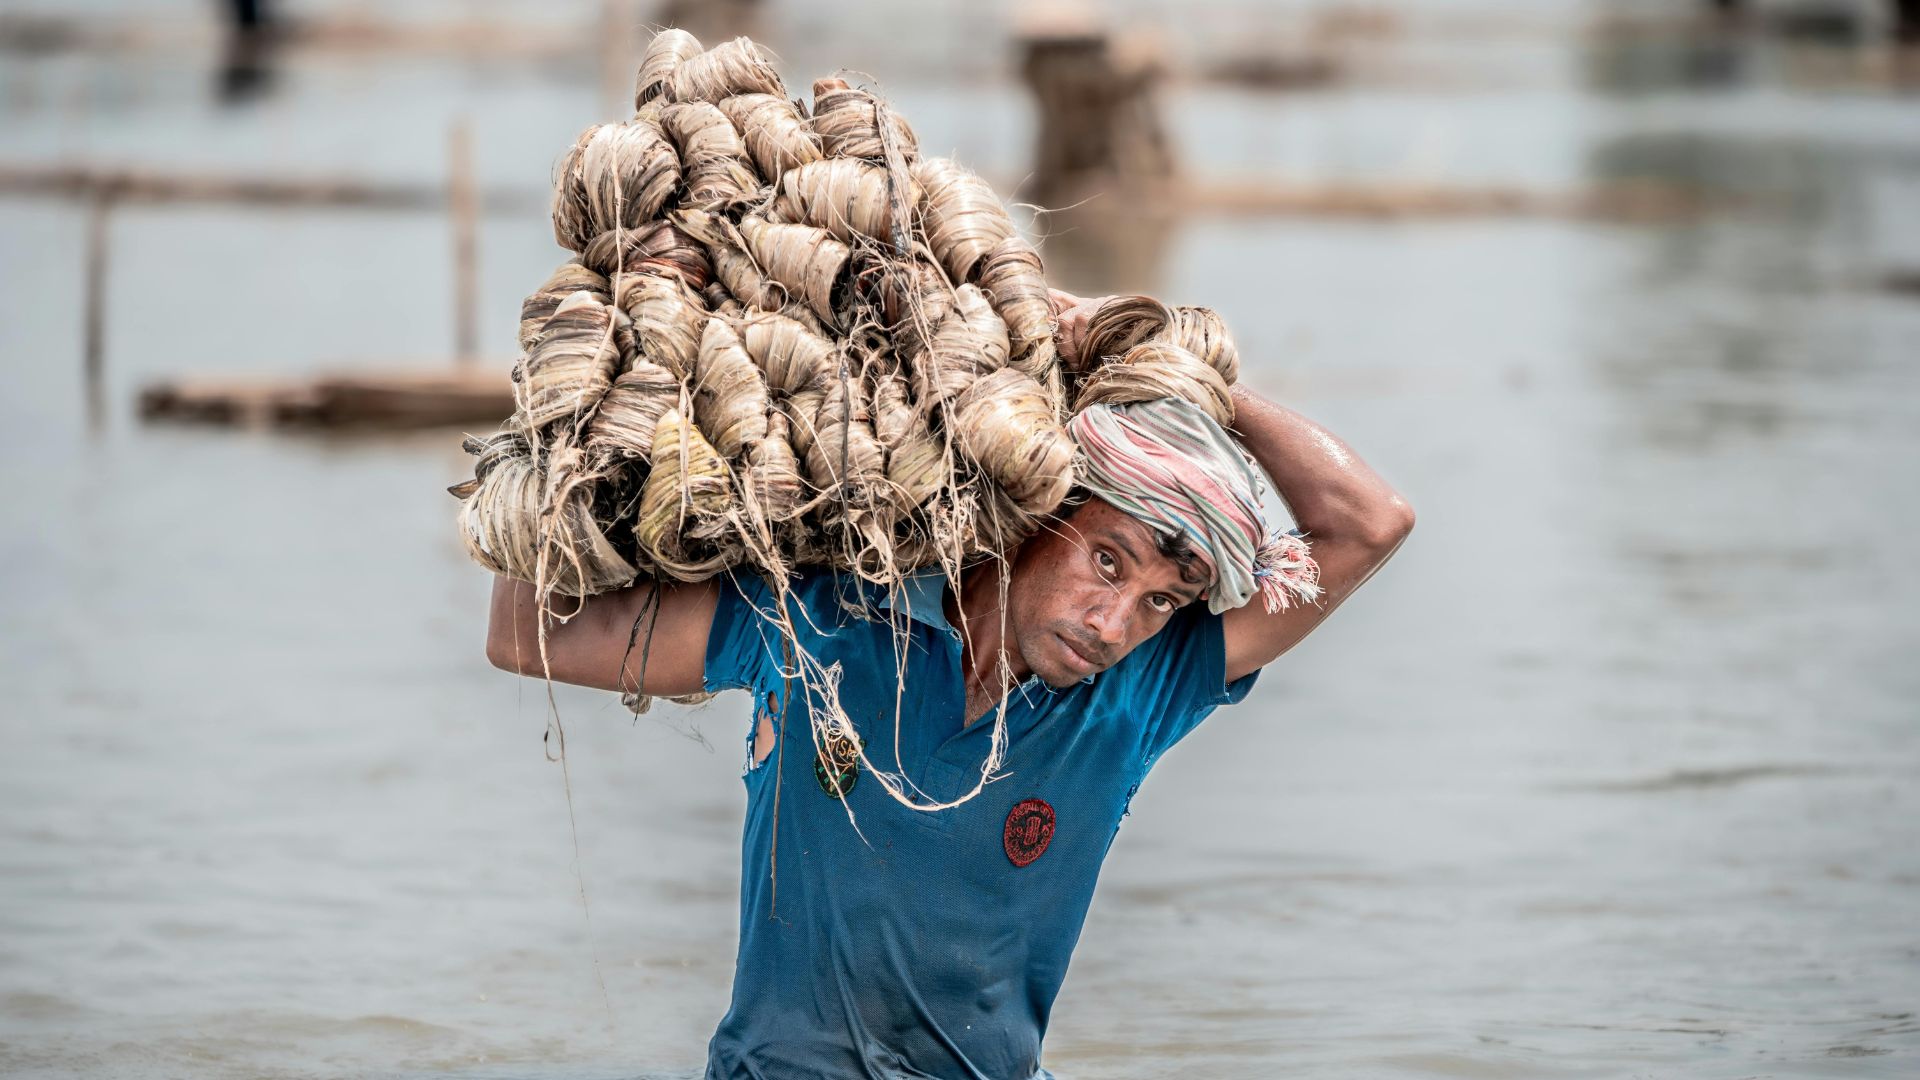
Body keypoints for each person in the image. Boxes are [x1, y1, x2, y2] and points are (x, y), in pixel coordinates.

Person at [484, 292, 1414, 1079]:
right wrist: (570, 408)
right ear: (1037, 507)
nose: (1114, 623)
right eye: (1106, 560)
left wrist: (1175, 378)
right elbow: (528, 634)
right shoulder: (822, 620)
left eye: (1164, 601)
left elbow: (1370, 524)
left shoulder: (1141, 692)